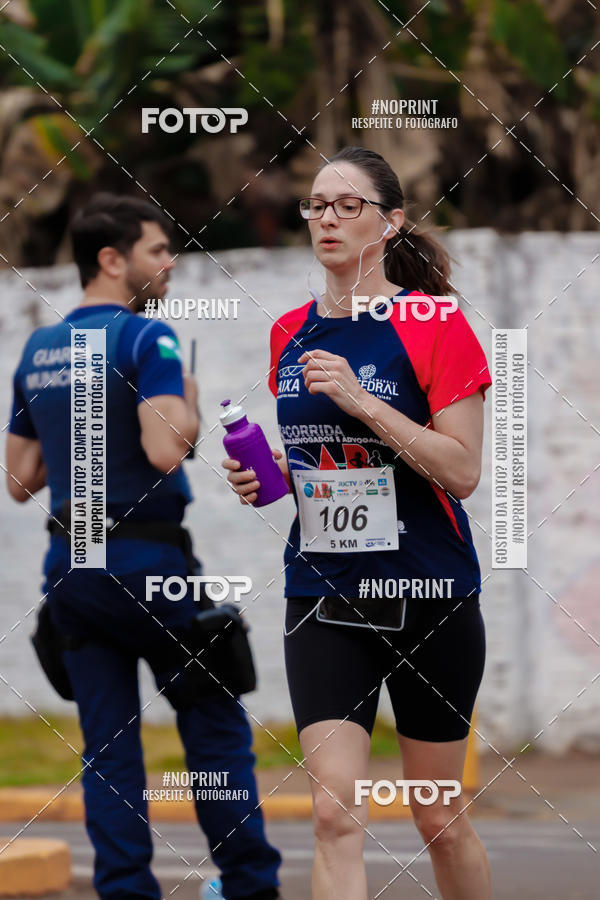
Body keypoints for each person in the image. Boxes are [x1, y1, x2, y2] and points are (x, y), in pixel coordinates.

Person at [223, 146, 492, 900]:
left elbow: (462, 471)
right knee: (334, 814)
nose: (328, 219)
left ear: (392, 222)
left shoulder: (433, 325)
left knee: (438, 819)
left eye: (349, 206)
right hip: (326, 593)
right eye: (317, 205)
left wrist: (364, 401)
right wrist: (267, 476)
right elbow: (318, 465)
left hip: (430, 595)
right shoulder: (289, 333)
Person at [6, 193, 282, 900]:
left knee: (108, 751)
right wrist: (185, 399)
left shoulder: (38, 349)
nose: (169, 264)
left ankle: (126, 891)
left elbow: (19, 477)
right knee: (214, 723)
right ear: (111, 259)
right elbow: (166, 450)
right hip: (149, 561)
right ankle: (249, 883)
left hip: (73, 567)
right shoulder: (146, 340)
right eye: (158, 251)